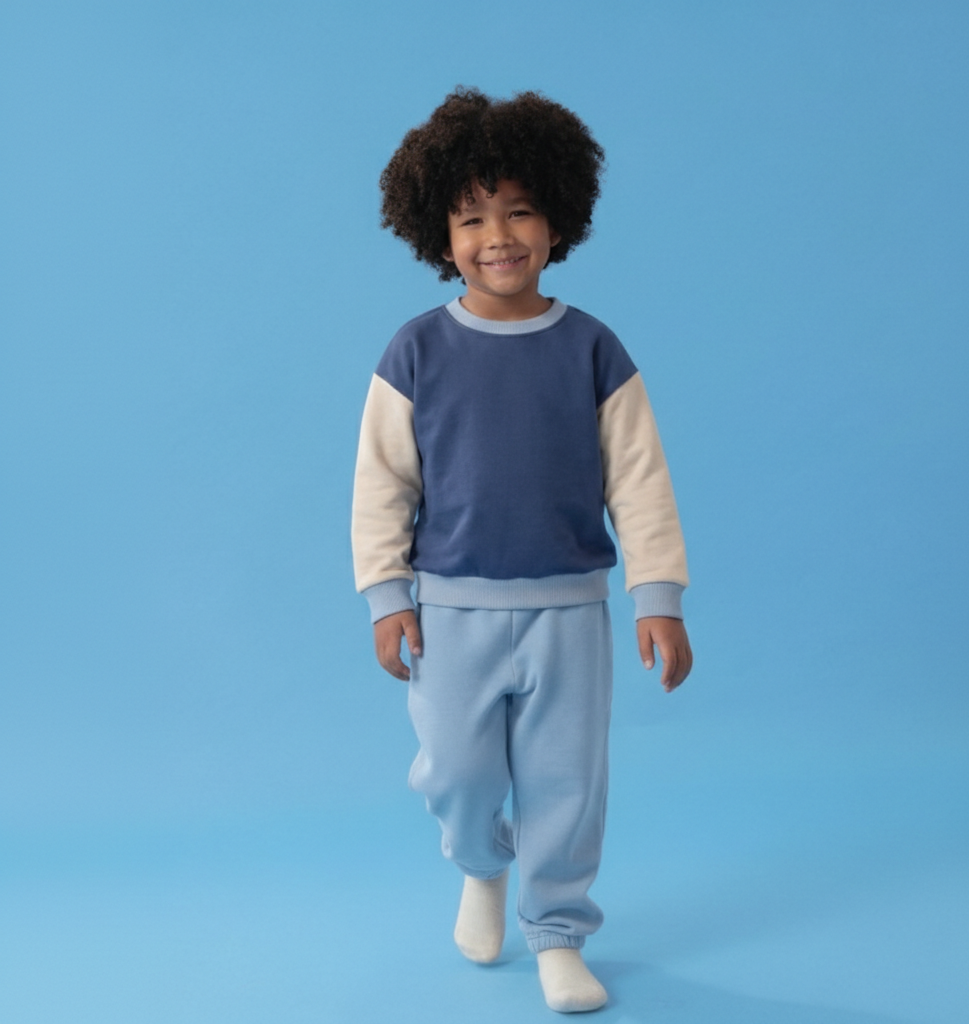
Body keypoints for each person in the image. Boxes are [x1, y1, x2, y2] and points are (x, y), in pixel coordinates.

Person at [351, 87, 692, 1014]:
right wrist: (387, 596)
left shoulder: (593, 349)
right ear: (440, 234)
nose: (497, 236)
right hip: (451, 612)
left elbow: (640, 479)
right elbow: (382, 483)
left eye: (519, 211)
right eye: (472, 218)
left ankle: (558, 935)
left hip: (569, 611)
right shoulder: (416, 352)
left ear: (557, 221)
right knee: (456, 775)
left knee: (566, 786)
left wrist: (658, 595)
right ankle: (482, 866)